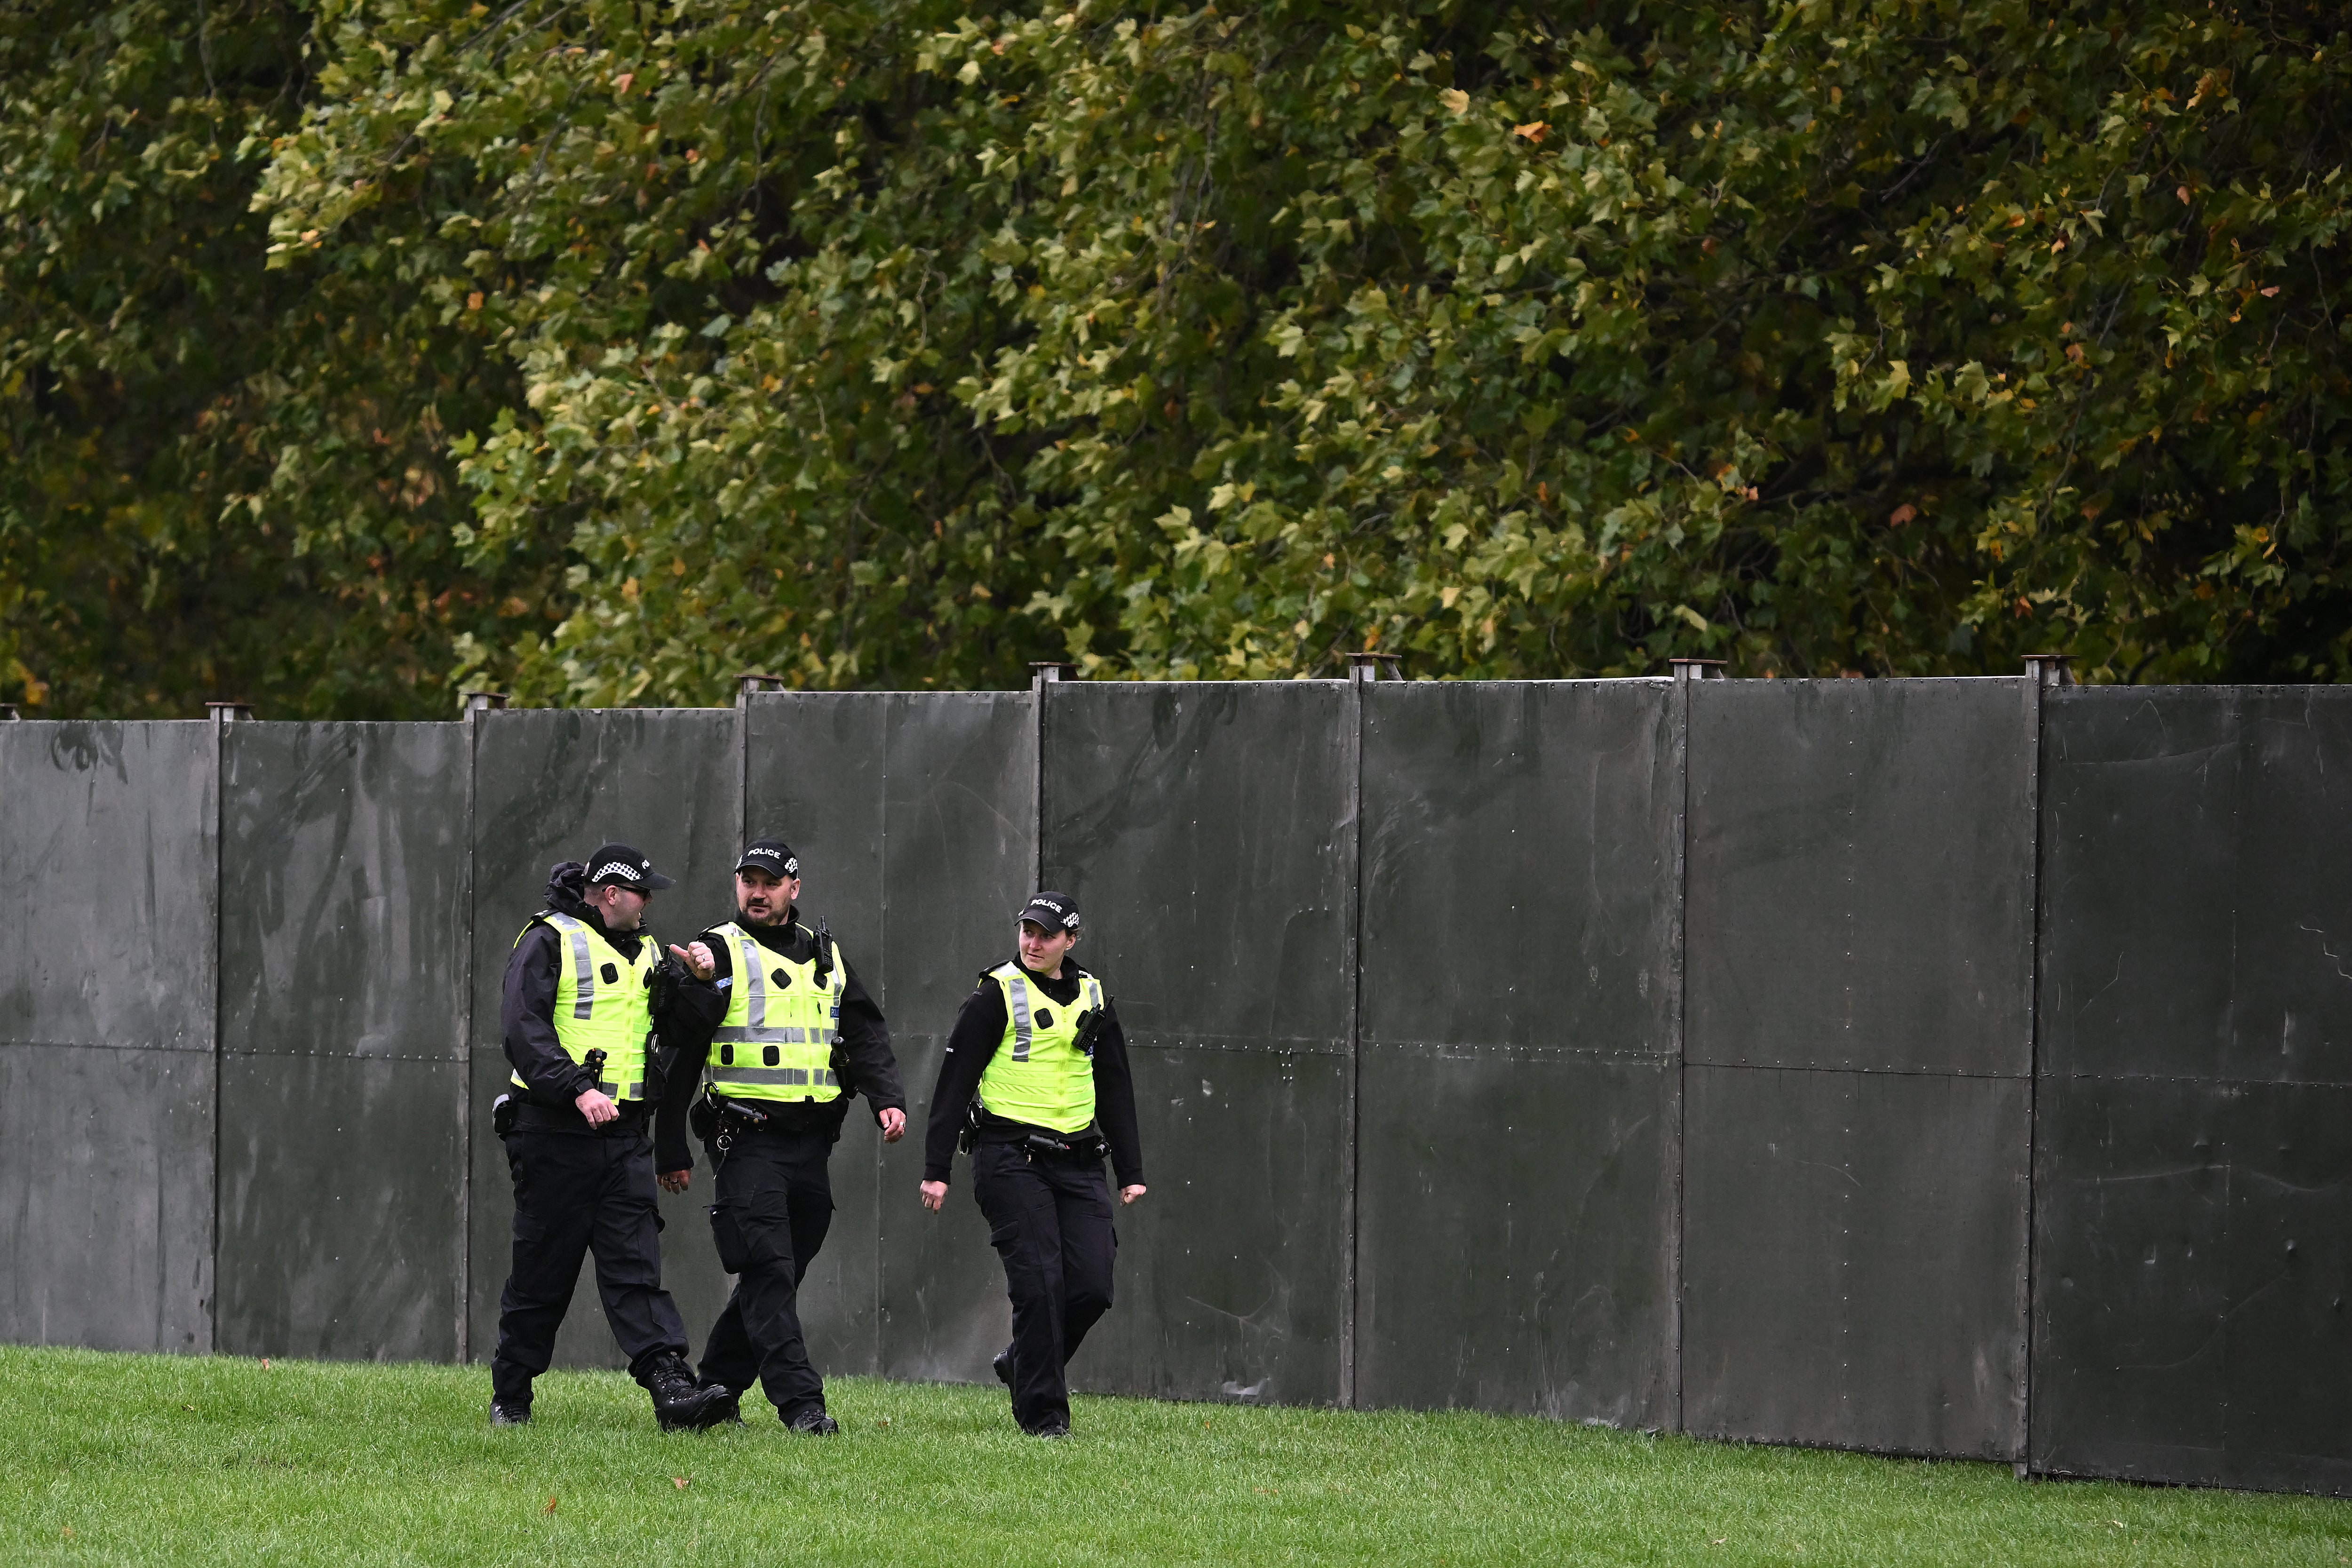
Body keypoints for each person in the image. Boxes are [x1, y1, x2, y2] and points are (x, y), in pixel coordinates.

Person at [653, 839, 907, 1434]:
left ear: (794, 888)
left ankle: (713, 1387)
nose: (756, 892)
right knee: (769, 1266)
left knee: (784, 1268)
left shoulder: (825, 954)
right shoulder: (715, 951)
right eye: (747, 881)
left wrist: (887, 1099)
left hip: (812, 1142)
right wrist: (670, 1149)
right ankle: (802, 1405)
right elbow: (679, 1050)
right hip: (744, 1138)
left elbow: (863, 1030)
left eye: (769, 882)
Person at [486, 844, 733, 1431]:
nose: (650, 903)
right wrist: (576, 1088)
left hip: (624, 1136)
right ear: (612, 894)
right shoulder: (548, 940)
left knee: (636, 1265)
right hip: (553, 1133)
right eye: (644, 892)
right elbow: (523, 1028)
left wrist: (701, 981)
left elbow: (686, 1026)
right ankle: (512, 1393)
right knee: (543, 1271)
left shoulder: (648, 949)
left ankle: (671, 1388)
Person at [919, 892, 1146, 1438]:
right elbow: (953, 1085)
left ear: (1070, 940)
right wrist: (936, 1168)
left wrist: (1131, 1170)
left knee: (1091, 1285)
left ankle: (1023, 1360)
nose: (1033, 942)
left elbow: (1114, 1085)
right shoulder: (996, 994)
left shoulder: (1092, 994)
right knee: (1040, 1284)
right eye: (1026, 931)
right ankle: (1045, 1418)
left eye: (1046, 934)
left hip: (1078, 1160)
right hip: (1010, 1157)